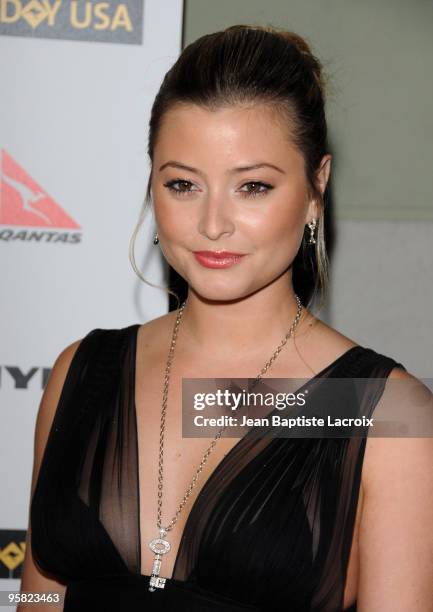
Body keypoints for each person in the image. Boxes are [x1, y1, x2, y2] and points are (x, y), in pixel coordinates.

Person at [19, 25, 433, 612]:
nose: (213, 223)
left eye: (253, 187)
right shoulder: (80, 372)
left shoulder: (381, 411)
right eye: (184, 184)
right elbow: (40, 600)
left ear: (318, 186)